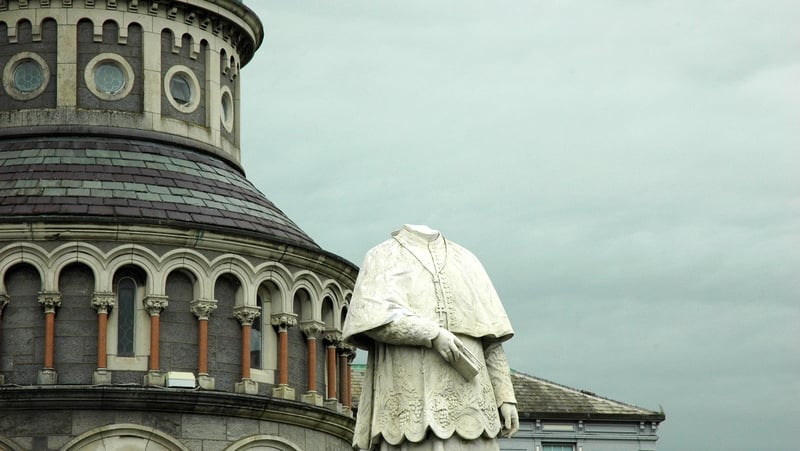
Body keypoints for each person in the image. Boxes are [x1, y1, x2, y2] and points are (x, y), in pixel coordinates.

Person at [343, 224, 519, 451]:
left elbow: (491, 341)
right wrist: (432, 334)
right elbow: (372, 320)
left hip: (473, 403)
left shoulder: (467, 260)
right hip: (411, 398)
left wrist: (505, 397)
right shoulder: (382, 255)